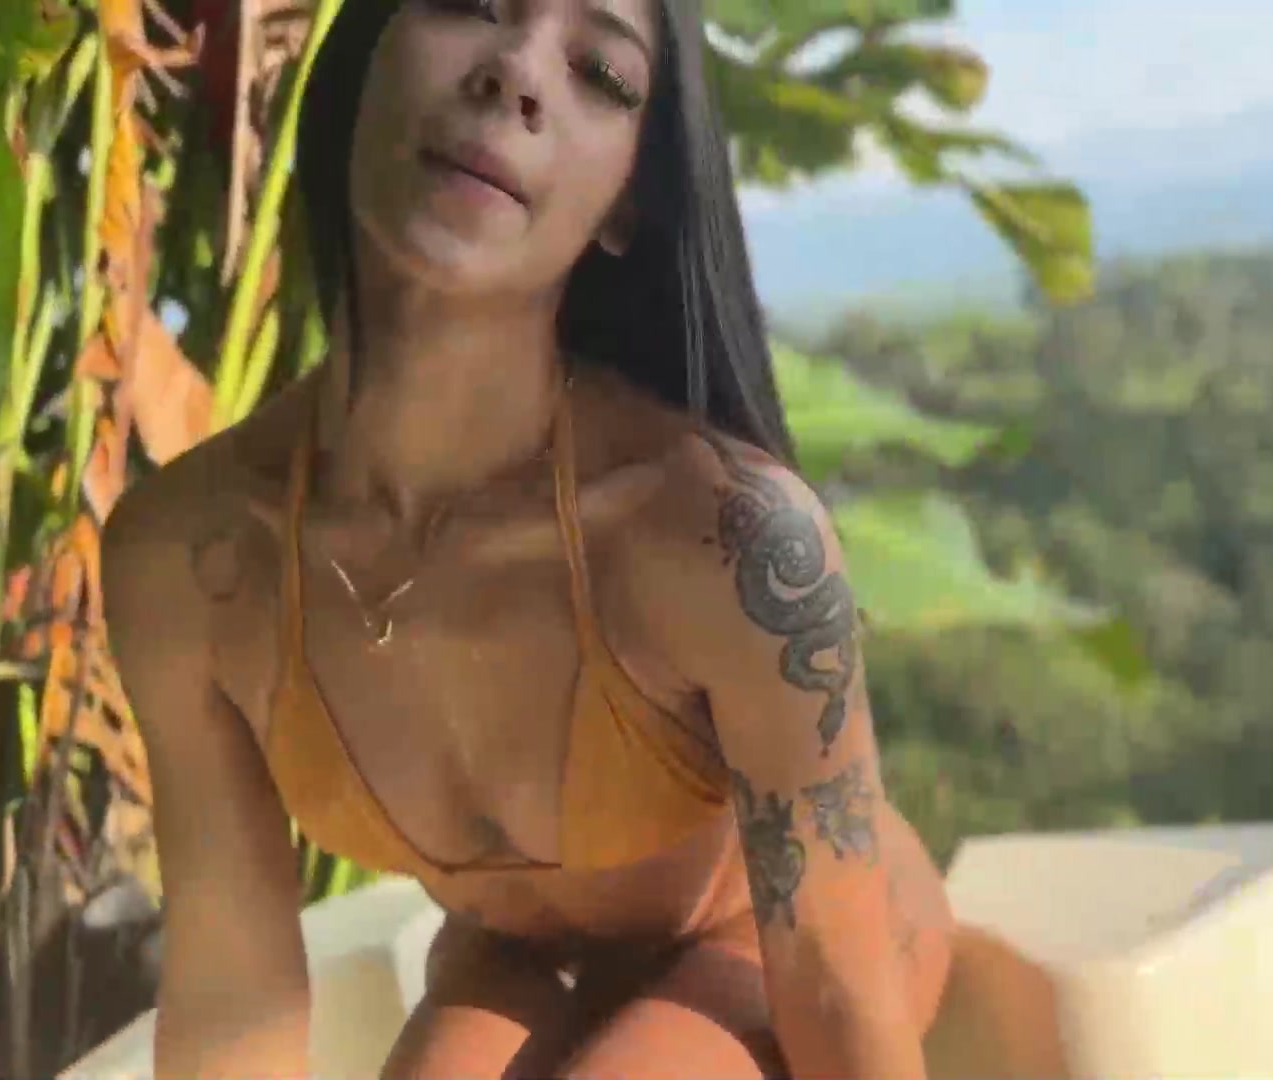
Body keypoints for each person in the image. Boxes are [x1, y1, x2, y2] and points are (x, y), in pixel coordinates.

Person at [101, 0, 954, 1077]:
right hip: (513, 960)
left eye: (602, 73)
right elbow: (234, 1001)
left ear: (628, 200)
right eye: (469, 3)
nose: (517, 72)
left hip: (783, 949)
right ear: (362, 61)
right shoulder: (190, 563)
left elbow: (833, 987)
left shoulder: (723, 541)